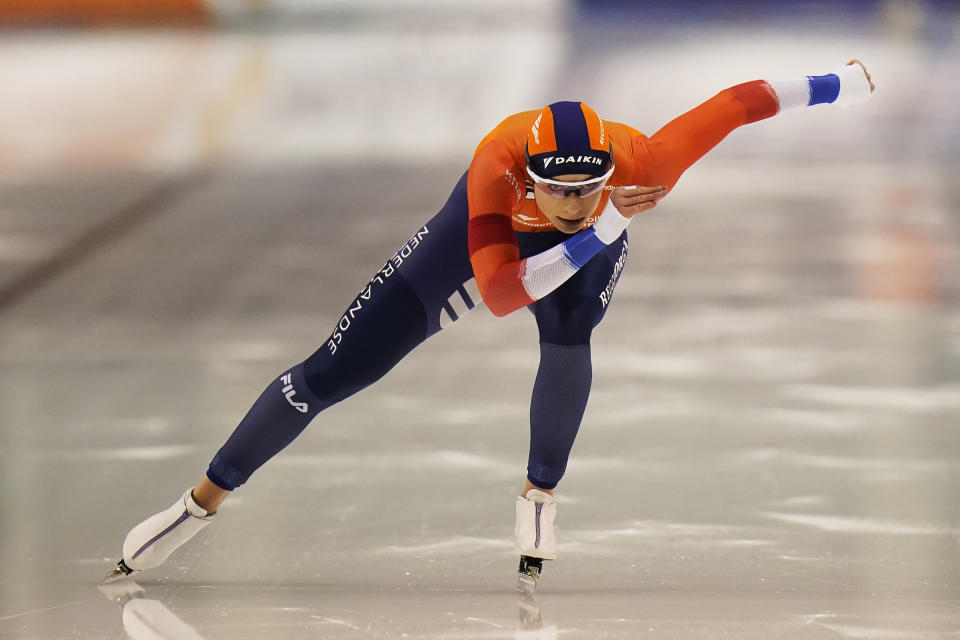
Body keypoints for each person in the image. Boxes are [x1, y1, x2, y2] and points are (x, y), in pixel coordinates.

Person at [104, 60, 876, 590]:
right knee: (334, 373)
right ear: (532, 174)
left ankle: (540, 492)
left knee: (570, 335)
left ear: (609, 169)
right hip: (486, 242)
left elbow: (741, 102)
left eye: (588, 190)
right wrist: (598, 229)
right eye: (559, 190)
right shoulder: (499, 165)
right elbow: (502, 293)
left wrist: (838, 81)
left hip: (581, 256)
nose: (573, 199)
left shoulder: (641, 161)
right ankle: (200, 500)